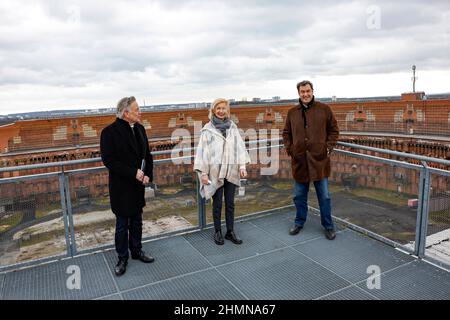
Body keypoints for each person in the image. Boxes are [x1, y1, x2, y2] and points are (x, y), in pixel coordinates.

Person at [100, 96, 155, 276]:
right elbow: (109, 161)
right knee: (122, 224)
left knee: (137, 221)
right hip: (121, 187)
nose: (140, 112)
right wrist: (133, 172)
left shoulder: (140, 129)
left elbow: (147, 155)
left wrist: (148, 174)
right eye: (137, 109)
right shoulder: (109, 132)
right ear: (126, 113)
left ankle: (137, 251)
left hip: (138, 185)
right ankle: (122, 257)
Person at [282, 80, 339, 240]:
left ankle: (328, 226)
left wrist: (327, 148)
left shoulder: (324, 109)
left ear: (312, 91)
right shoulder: (292, 112)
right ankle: (299, 222)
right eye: (302, 92)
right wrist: (291, 149)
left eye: (308, 91)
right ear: (299, 93)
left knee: (325, 196)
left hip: (319, 162)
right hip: (300, 162)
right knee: (299, 196)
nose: (305, 94)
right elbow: (286, 133)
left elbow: (334, 130)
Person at [194, 98, 251, 245]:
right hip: (215, 172)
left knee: (230, 203)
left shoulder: (233, 127)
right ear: (213, 110)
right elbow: (203, 153)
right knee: (217, 203)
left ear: (227, 110)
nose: (221, 111)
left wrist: (242, 167)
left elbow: (239, 147)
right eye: (218, 108)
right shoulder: (207, 129)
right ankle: (218, 231)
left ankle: (230, 232)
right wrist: (204, 174)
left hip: (231, 169)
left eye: (223, 108)